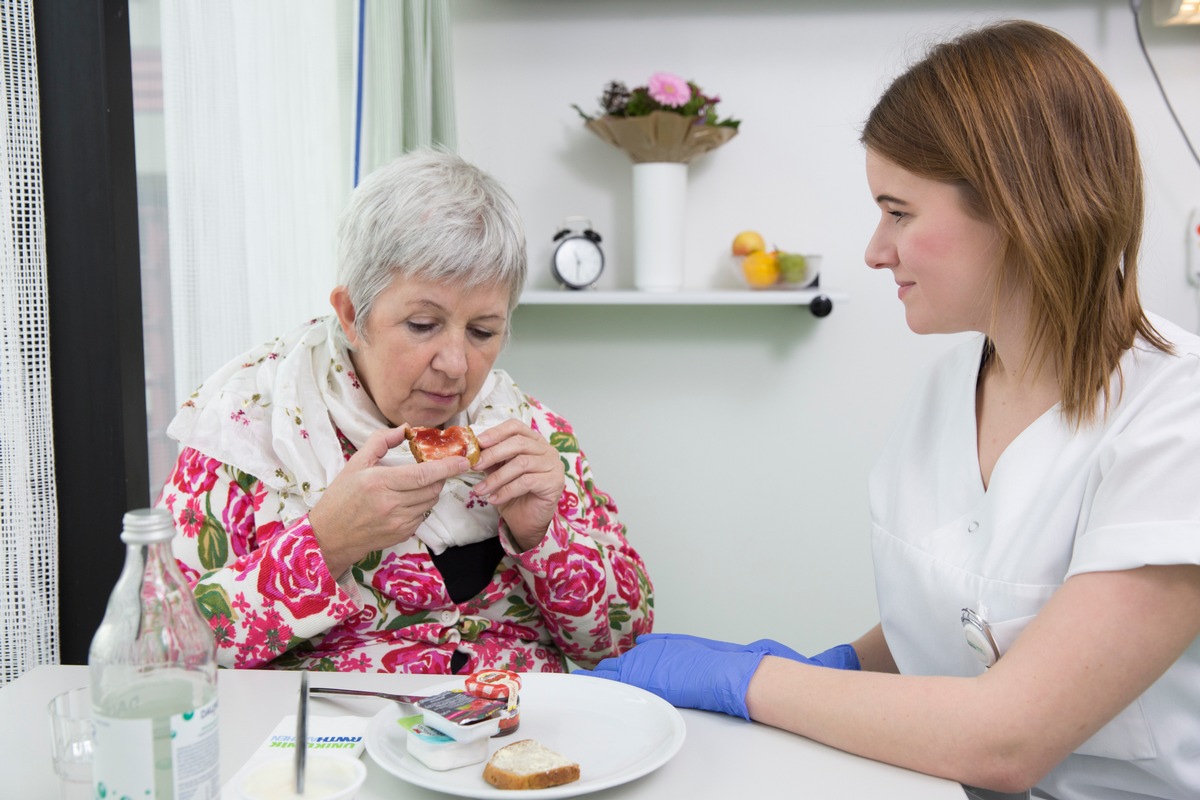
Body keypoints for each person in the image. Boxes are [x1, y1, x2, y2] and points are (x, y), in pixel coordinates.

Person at [575, 20, 1200, 800]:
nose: (875, 250)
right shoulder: (946, 391)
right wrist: (838, 668)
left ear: (1019, 207)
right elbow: (959, 621)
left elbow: (1010, 737)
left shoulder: (1178, 418)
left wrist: (751, 682)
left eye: (898, 212)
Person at [156, 149, 653, 674]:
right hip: (337, 743)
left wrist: (544, 538)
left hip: (520, 734)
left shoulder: (531, 434)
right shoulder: (248, 432)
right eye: (422, 325)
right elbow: (171, 657)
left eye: (484, 332)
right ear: (352, 315)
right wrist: (324, 544)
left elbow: (622, 642)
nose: (456, 364)